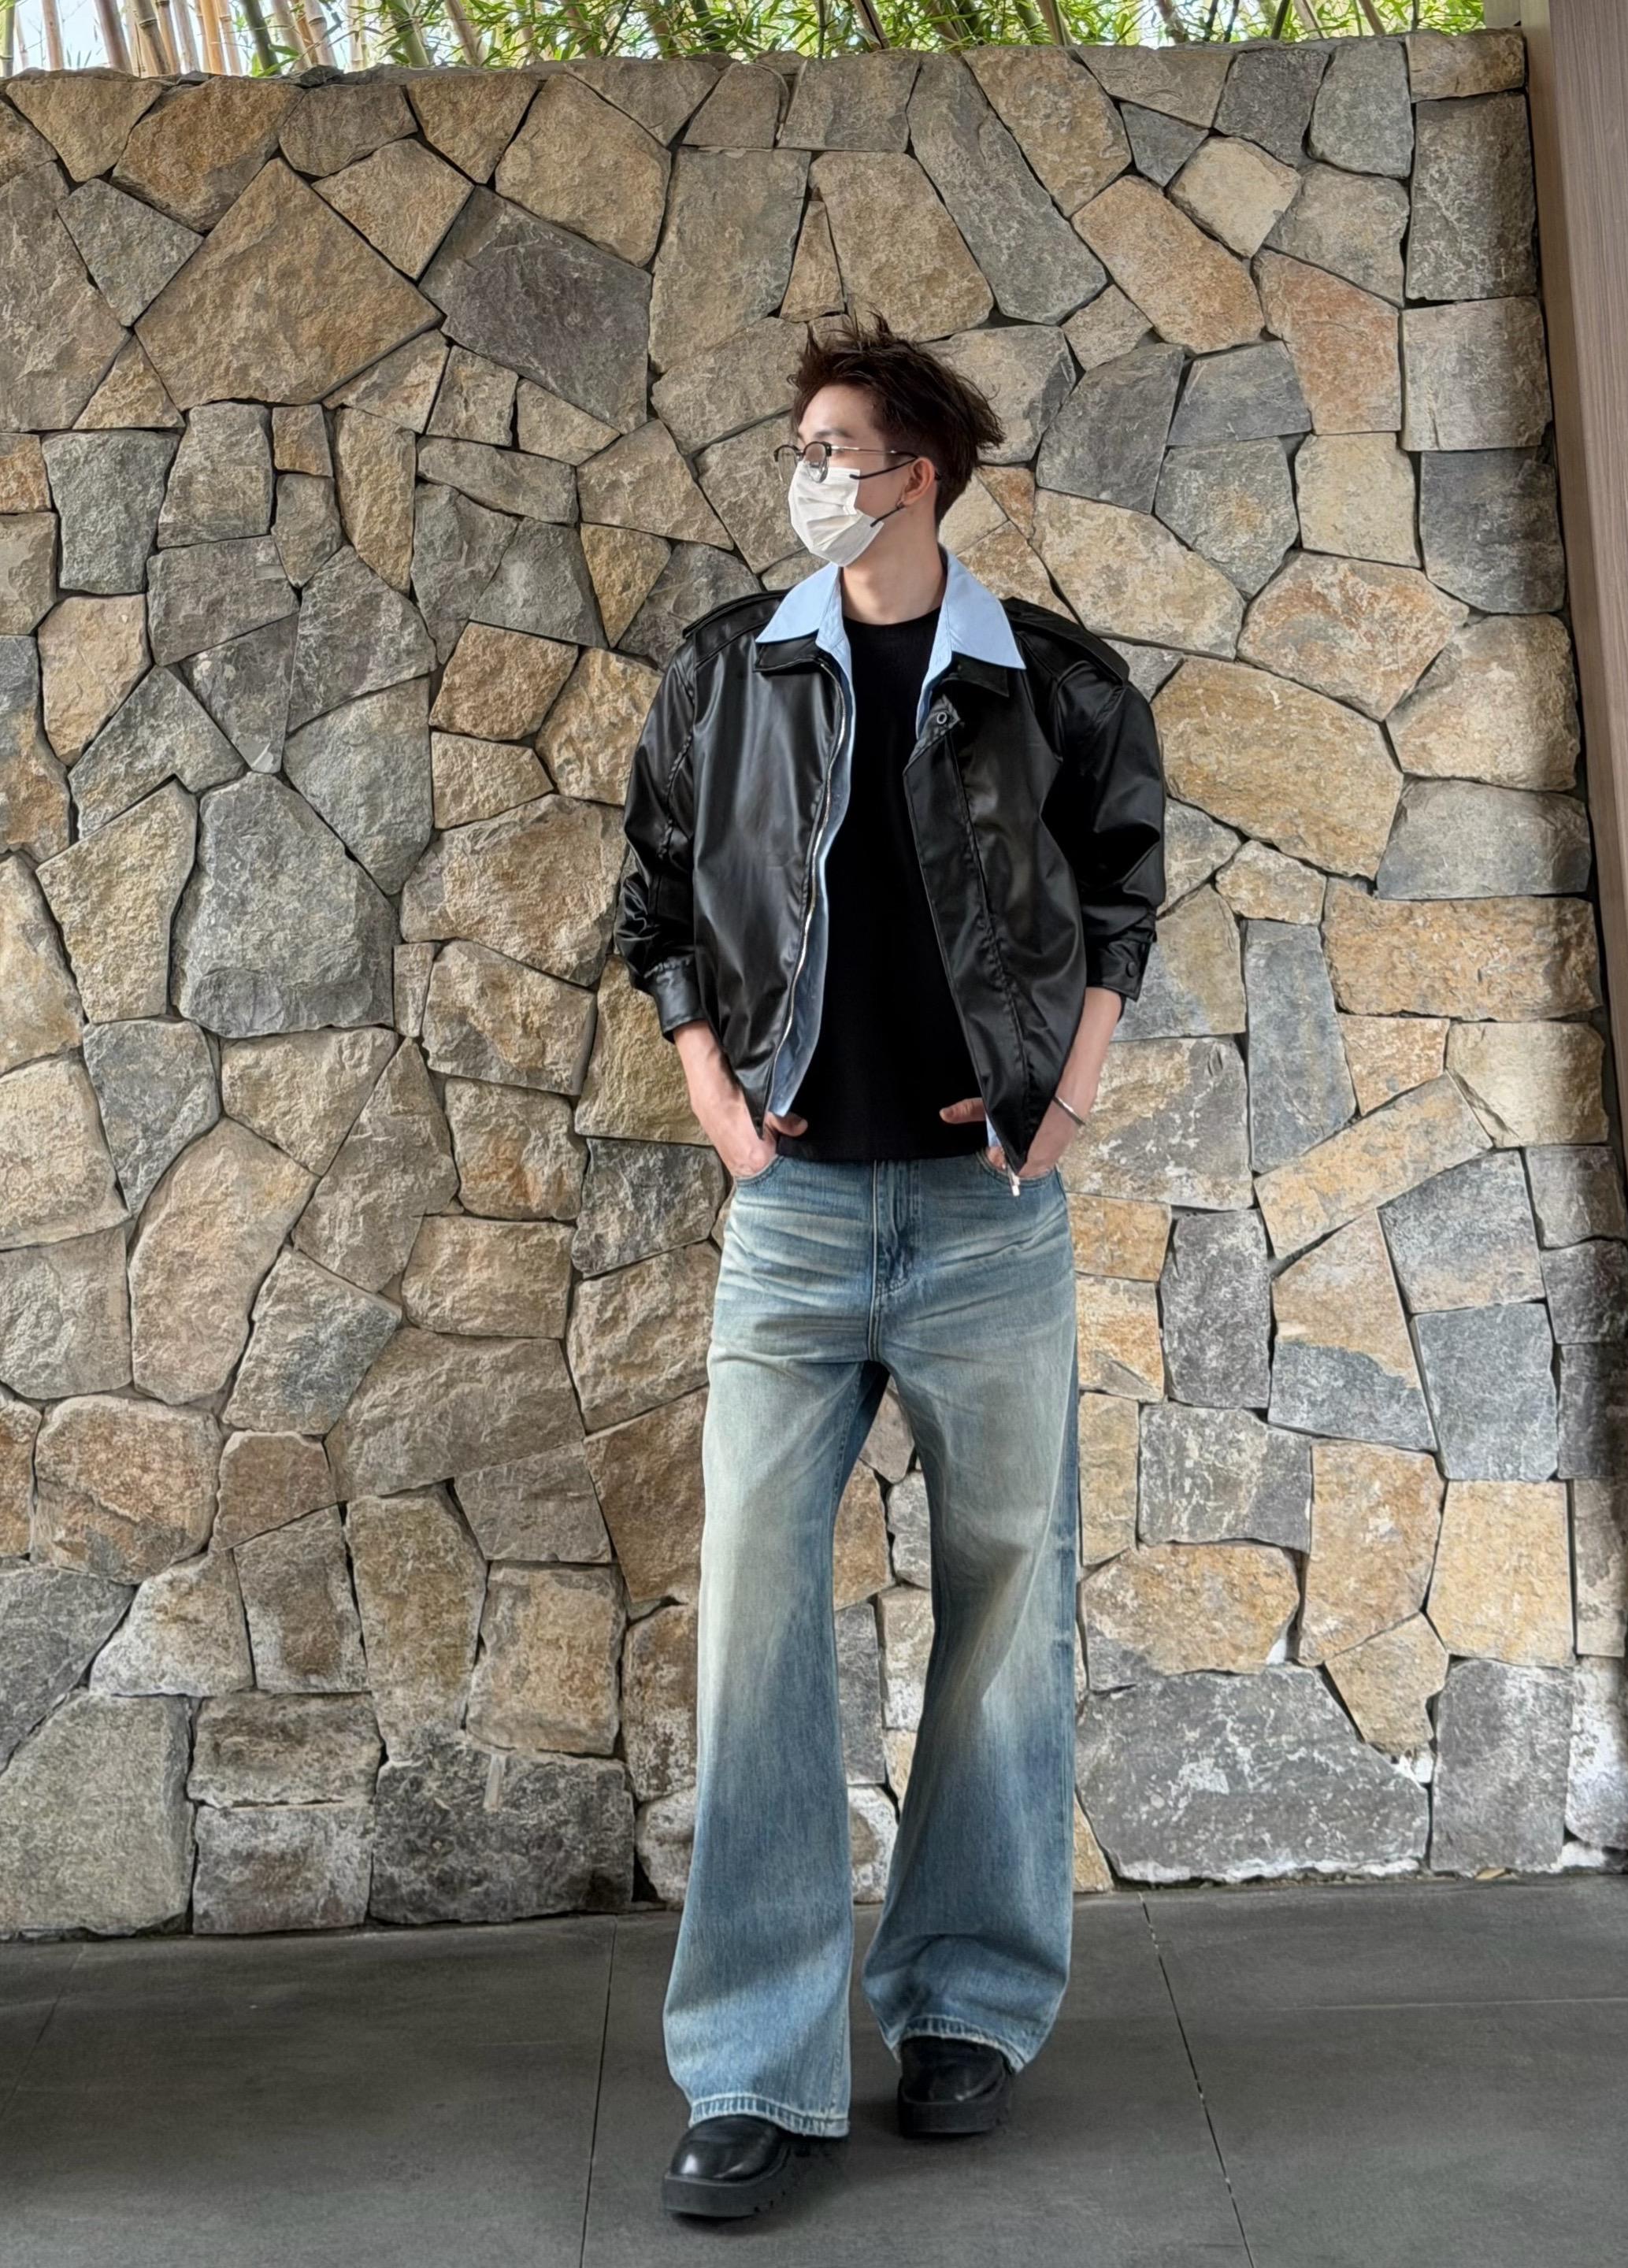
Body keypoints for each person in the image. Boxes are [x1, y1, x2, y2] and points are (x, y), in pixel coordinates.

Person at [614, 309, 1166, 2221]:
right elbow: (657, 894)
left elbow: (1123, 898)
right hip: (790, 1217)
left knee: (1008, 1611)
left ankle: (966, 2008)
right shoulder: (729, 672)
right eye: (804, 448)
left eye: (836, 449)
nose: (810, 475)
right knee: (756, 1620)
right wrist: (713, 1093)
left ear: (918, 476)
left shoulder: (1054, 684)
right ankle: (753, 2071)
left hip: (987, 1223)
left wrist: (1063, 1106)